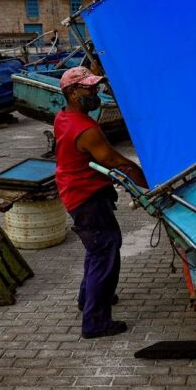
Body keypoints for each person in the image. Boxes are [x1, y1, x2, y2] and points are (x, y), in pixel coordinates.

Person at [55, 66, 147, 339]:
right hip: (87, 197)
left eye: (95, 87)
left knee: (96, 247)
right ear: (72, 92)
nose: (95, 92)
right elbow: (115, 161)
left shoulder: (64, 117)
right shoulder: (84, 128)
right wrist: (148, 183)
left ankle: (88, 298)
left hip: (75, 191)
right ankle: (95, 322)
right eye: (89, 88)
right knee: (105, 250)